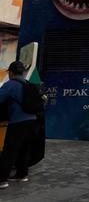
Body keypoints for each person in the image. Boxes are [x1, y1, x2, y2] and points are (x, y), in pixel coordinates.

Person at [0, 61, 40, 189]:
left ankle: (2, 180)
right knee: (24, 149)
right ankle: (22, 175)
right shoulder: (29, 84)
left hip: (18, 122)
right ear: (22, 72)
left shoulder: (10, 84)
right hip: (33, 121)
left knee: (9, 151)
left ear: (11, 73)